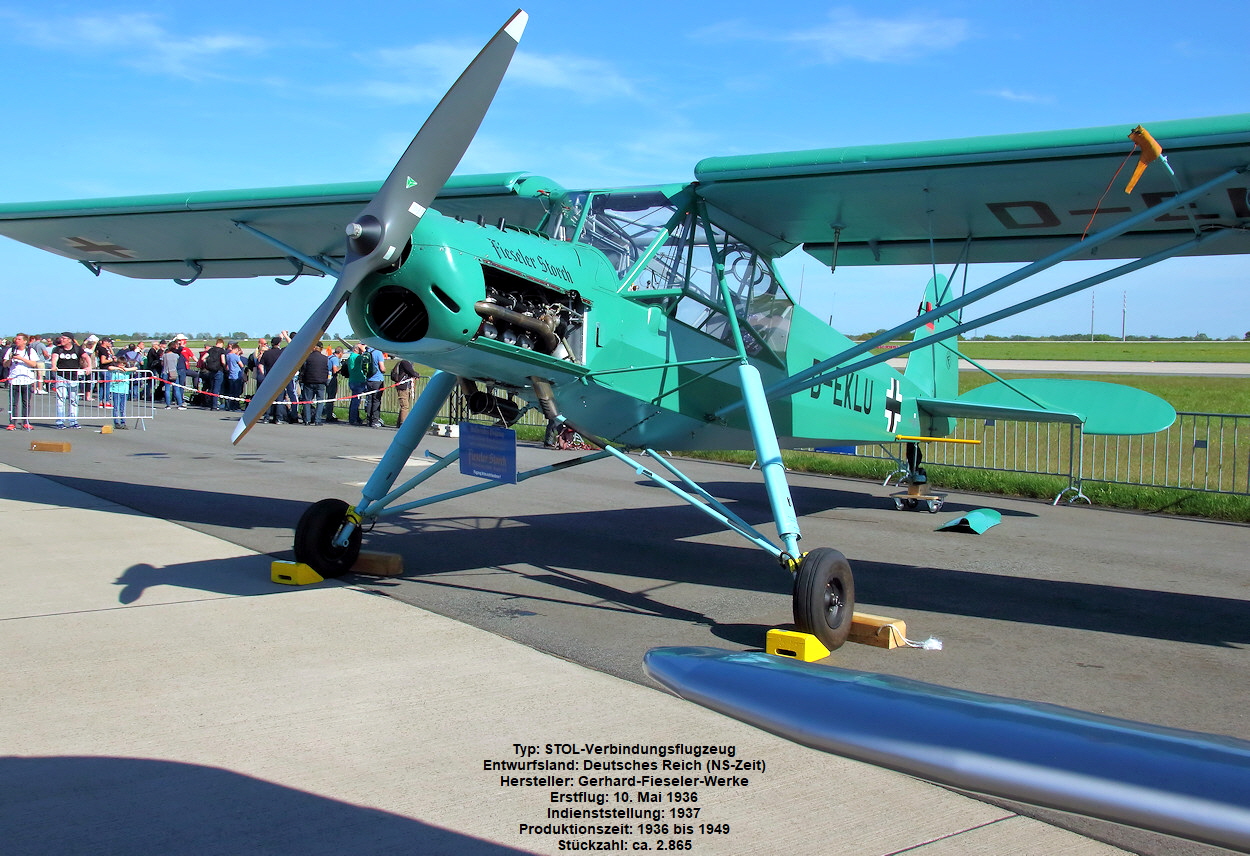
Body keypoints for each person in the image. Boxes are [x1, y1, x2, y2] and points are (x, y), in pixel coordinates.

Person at [50, 332, 86, 429]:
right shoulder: (57, 349)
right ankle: (60, 421)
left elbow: (86, 356)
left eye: (64, 338)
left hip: (74, 377)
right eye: (61, 338)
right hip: (61, 377)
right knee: (61, 399)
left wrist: (89, 367)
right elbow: (54, 358)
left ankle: (73, 421)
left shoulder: (77, 349)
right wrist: (54, 365)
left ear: (70, 340)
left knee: (74, 400)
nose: (62, 340)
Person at [3, 333, 38, 429]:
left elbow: (34, 364)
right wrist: (10, 359)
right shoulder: (11, 350)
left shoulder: (30, 351)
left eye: (19, 339)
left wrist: (21, 358)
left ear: (25, 341)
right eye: (16, 339)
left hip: (26, 380)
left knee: (25, 402)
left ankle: (25, 422)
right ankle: (12, 422)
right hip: (14, 379)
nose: (16, 341)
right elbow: (5, 364)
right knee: (13, 402)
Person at [299, 343, 330, 426]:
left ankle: (307, 420)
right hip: (321, 382)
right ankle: (317, 419)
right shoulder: (325, 358)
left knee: (307, 401)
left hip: (308, 381)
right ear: (321, 348)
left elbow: (303, 370)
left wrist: (302, 379)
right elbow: (327, 370)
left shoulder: (307, 357)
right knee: (320, 401)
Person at [390, 358, 420, 427]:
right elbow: (411, 372)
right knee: (405, 406)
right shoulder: (405, 362)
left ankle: (399, 422)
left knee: (404, 406)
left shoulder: (407, 362)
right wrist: (417, 374)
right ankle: (403, 423)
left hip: (406, 386)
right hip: (403, 387)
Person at [362, 343, 386, 428]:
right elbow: (382, 368)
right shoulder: (378, 353)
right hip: (377, 380)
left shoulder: (366, 352)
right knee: (376, 400)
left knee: (370, 400)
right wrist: (384, 370)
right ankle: (375, 420)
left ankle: (369, 419)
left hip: (368, 380)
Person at [161, 341, 186, 409]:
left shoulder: (164, 355)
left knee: (167, 389)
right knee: (176, 389)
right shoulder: (176, 356)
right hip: (174, 372)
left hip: (166, 372)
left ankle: (168, 405)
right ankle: (180, 404)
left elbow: (162, 364)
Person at [204, 338, 227, 410]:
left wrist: (207, 363)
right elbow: (223, 361)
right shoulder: (221, 350)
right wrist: (225, 367)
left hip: (211, 370)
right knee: (216, 388)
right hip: (218, 370)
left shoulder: (211, 350)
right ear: (221, 344)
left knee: (212, 387)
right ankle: (214, 405)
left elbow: (203, 358)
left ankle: (211, 404)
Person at [345, 343, 366, 425]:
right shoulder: (357, 357)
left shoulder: (350, 357)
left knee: (354, 400)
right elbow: (366, 357)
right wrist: (363, 350)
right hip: (358, 380)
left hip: (352, 380)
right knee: (356, 401)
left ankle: (355, 417)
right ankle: (353, 419)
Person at [324, 346, 343, 423]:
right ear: (340, 353)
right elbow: (335, 370)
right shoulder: (335, 359)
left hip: (326, 377)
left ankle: (328, 413)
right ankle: (329, 415)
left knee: (328, 396)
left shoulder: (329, 357)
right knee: (331, 397)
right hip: (331, 379)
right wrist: (341, 368)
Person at [224, 342, 245, 411]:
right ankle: (235, 406)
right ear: (236, 349)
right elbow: (241, 365)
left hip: (231, 375)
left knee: (231, 392)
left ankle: (230, 406)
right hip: (236, 375)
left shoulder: (228, 356)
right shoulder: (235, 356)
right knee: (237, 392)